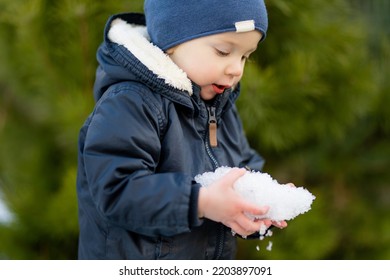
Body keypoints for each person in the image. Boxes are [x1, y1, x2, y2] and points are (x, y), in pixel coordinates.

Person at [76, 0, 287, 260]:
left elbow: (242, 164)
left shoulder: (219, 106)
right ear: (172, 42)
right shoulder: (131, 102)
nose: (236, 69)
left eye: (245, 56)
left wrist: (254, 204)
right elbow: (117, 190)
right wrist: (201, 203)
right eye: (223, 51)